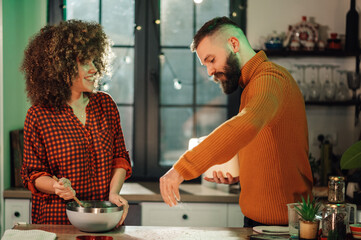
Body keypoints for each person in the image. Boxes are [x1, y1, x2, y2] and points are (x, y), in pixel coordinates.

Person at [159, 16, 313, 227]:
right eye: (205, 65)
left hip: (279, 229)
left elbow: (246, 123)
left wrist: (181, 169)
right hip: (265, 223)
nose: (210, 71)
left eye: (211, 60)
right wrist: (240, 173)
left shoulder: (269, 79)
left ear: (233, 44)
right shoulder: (254, 85)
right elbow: (269, 144)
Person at [20, 20, 132, 226]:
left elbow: (119, 158)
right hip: (56, 221)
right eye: (84, 63)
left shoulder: (105, 105)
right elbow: (33, 174)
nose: (94, 69)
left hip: (102, 218)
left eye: (94, 61)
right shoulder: (38, 115)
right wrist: (56, 186)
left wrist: (113, 194)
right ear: (60, 68)